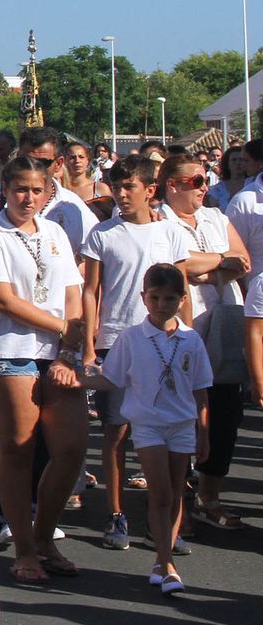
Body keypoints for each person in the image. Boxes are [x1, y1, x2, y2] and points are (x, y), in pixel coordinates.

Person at [0, 156, 88, 584]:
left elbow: (73, 294)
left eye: (37, 190)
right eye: (21, 189)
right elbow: (2, 299)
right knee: (18, 448)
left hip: (60, 354)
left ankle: (44, 537)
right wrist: (62, 327)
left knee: (72, 448)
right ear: (5, 189)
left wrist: (69, 346)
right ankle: (24, 546)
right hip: (11, 351)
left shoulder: (56, 231)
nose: (28, 198)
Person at [82, 156, 190, 549]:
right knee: (117, 432)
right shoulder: (103, 234)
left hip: (164, 341)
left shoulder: (172, 234)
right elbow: (91, 290)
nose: (122, 194)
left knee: (163, 431)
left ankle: (163, 520)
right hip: (115, 341)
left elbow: (183, 290)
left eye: (129, 187)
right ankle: (116, 514)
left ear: (150, 190)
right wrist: (89, 345)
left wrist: (186, 334)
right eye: (117, 186)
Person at [100, 264, 211, 594]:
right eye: (156, 297)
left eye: (170, 298)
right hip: (148, 425)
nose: (162, 304)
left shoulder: (192, 339)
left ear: (182, 299)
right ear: (144, 298)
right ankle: (166, 562)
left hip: (182, 425)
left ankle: (162, 559)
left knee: (177, 492)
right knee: (160, 492)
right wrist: (78, 379)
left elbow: (201, 389)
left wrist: (204, 432)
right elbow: (111, 378)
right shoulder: (131, 337)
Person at [158, 155, 250, 530]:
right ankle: (172, 499)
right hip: (183, 324)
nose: (204, 187)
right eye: (195, 181)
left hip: (225, 323)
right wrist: (218, 265)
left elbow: (242, 259)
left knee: (226, 411)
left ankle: (209, 494)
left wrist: (203, 268)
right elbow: (175, 266)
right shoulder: (161, 221)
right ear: (173, 185)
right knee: (182, 410)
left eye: (205, 179)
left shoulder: (215, 217)